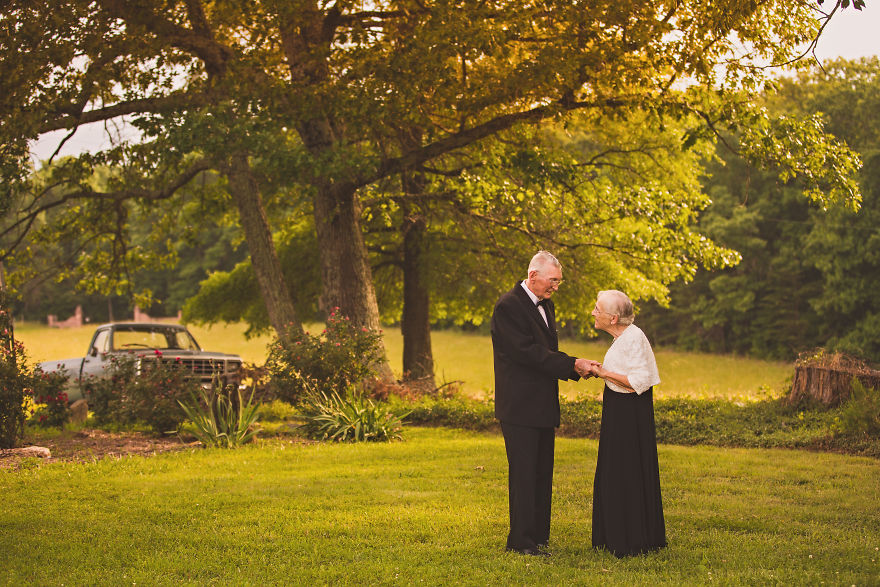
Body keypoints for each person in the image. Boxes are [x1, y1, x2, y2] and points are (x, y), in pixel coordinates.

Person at [490, 250, 594, 557]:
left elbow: (545, 352)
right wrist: (573, 365)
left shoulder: (546, 304)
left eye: (558, 282)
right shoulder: (508, 306)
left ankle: (538, 538)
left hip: (543, 404)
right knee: (524, 474)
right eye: (553, 281)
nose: (556, 288)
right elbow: (527, 353)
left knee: (541, 472)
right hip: (519, 406)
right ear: (533, 276)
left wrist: (572, 364)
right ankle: (520, 542)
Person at [588, 289, 666, 557]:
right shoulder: (623, 337)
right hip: (618, 410)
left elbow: (637, 383)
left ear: (612, 318)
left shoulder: (633, 338)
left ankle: (630, 537)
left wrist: (603, 373)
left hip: (628, 415)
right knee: (615, 469)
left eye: (598, 309)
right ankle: (612, 534)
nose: (593, 312)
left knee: (626, 470)